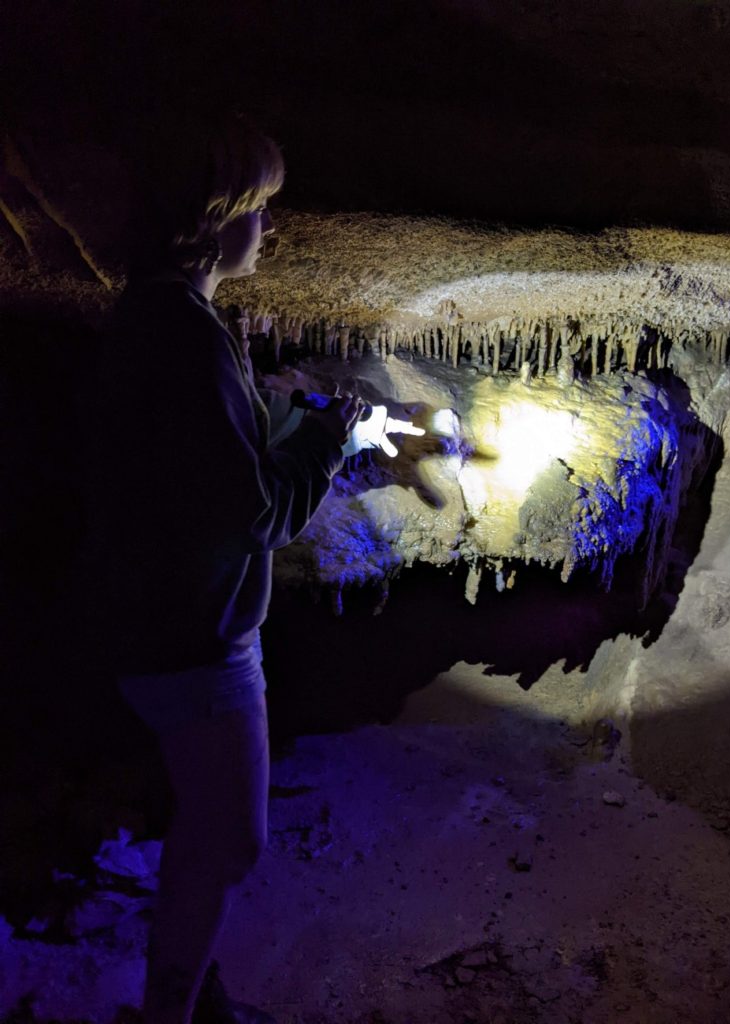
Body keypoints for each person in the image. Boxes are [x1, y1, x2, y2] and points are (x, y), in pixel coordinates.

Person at [87, 112, 385, 1024]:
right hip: (197, 642)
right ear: (217, 215)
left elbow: (219, 458)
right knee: (231, 840)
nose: (269, 228)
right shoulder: (182, 335)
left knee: (206, 827)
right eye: (259, 208)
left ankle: (194, 976)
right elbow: (256, 512)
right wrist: (333, 441)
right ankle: (171, 1009)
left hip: (170, 625)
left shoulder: (166, 315)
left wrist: (297, 418)